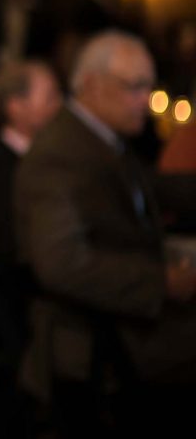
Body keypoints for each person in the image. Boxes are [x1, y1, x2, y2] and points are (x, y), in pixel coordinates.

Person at [15, 30, 196, 436]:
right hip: (98, 337)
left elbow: (151, 187)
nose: (147, 99)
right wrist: (162, 282)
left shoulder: (98, 136)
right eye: (135, 86)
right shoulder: (58, 153)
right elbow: (61, 265)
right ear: (93, 85)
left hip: (124, 318)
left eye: (149, 85)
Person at [0, 60, 62, 437]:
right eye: (50, 97)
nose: (60, 106)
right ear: (16, 107)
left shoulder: (33, 163)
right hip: (16, 338)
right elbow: (4, 268)